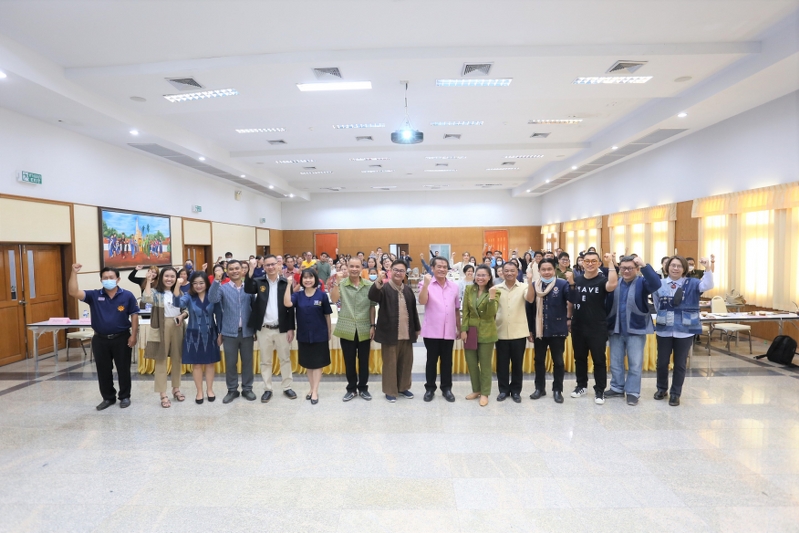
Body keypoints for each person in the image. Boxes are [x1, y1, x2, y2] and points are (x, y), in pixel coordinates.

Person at [68, 264, 139, 410]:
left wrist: (133, 335)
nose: (108, 280)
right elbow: (73, 292)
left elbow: (134, 315)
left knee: (123, 369)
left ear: (118, 279)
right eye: (105, 278)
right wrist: (74, 273)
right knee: (103, 370)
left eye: (111, 277)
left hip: (122, 338)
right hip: (100, 339)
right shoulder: (94, 295)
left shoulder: (127, 295)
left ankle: (125, 396)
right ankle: (108, 398)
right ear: (101, 280)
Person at [655, 255, 714, 406]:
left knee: (680, 363)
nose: (675, 268)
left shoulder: (693, 283)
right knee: (662, 362)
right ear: (667, 267)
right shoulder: (660, 283)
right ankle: (662, 388)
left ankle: (675, 393)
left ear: (684, 269)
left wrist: (708, 268)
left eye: (679, 266)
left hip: (685, 329)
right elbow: (657, 303)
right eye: (672, 265)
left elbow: (708, 285)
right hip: (664, 329)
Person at [605, 256, 661, 406]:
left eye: (630, 268)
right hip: (616, 328)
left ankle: (632, 392)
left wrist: (644, 265)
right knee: (615, 362)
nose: (626, 271)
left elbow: (656, 283)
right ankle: (617, 387)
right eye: (623, 268)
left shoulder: (642, 282)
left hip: (636, 328)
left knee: (635, 363)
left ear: (636, 269)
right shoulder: (614, 282)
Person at [566, 251, 618, 405]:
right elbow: (571, 300)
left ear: (599, 264)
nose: (590, 264)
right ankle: (581, 386)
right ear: (582, 263)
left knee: (599, 359)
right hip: (578, 326)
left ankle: (600, 389)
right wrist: (569, 318)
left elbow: (613, 285)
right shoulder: (576, 280)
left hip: (597, 326)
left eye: (593, 261)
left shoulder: (602, 280)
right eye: (587, 261)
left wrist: (611, 262)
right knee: (579, 358)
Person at [244, 255, 297, 402]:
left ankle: (287, 387)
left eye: (273, 264)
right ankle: (267, 389)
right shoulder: (259, 281)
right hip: (264, 328)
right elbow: (248, 289)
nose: (271, 267)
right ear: (264, 267)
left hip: (282, 328)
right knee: (265, 361)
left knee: (285, 359)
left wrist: (291, 328)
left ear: (279, 265)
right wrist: (251, 269)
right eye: (267, 265)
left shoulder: (286, 282)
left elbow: (290, 307)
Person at [369, 260, 421, 403]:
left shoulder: (408, 290)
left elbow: (413, 311)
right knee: (390, 364)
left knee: (406, 363)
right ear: (390, 271)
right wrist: (378, 281)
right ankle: (390, 390)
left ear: (405, 273)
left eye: (402, 271)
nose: (399, 273)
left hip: (407, 334)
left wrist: (417, 328)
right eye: (396, 270)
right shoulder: (384, 288)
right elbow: (372, 296)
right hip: (389, 334)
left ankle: (403, 387)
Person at [208, 260, 259, 404]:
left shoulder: (249, 288)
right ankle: (232, 390)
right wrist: (216, 280)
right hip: (229, 332)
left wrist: (255, 329)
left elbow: (255, 308)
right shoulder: (223, 288)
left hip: (247, 332)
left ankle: (247, 388)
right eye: (231, 269)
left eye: (237, 268)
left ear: (242, 270)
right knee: (231, 363)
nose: (235, 271)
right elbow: (212, 298)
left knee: (247, 362)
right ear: (227, 271)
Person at [330, 257, 376, 401]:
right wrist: (337, 282)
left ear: (362, 268)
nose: (354, 269)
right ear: (347, 267)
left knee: (364, 360)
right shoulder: (342, 283)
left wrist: (372, 326)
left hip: (364, 327)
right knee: (349, 360)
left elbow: (372, 307)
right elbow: (333, 299)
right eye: (352, 266)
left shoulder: (369, 285)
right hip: (347, 328)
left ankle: (363, 388)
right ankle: (351, 388)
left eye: (357, 266)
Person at [283, 269, 332, 404]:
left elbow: (327, 315)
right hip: (304, 334)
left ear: (315, 279)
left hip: (320, 334)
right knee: (309, 364)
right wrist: (288, 285)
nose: (308, 280)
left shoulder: (322, 295)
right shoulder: (298, 295)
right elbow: (287, 303)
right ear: (301, 280)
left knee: (318, 364)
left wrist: (328, 331)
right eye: (305, 278)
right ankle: (311, 388)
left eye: (310, 277)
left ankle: (315, 391)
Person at [525, 258, 570, 403]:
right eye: (543, 269)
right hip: (540, 331)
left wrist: (572, 283)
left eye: (549, 269)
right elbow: (529, 309)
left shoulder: (562, 284)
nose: (546, 272)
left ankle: (557, 390)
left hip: (557, 329)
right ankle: (540, 388)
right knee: (539, 360)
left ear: (554, 269)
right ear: (539, 271)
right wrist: (530, 330)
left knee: (558, 361)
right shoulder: (534, 285)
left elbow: (573, 299)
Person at [174, 271, 222, 403]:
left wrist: (220, 333)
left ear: (206, 283)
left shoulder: (212, 296)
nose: (198, 286)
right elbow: (178, 303)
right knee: (197, 365)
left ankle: (210, 390)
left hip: (211, 333)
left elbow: (219, 315)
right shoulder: (189, 296)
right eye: (195, 283)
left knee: (210, 364)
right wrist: (177, 285)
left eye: (201, 283)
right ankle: (199, 391)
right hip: (193, 335)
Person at [142, 267, 186, 407]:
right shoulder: (156, 292)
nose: (169, 279)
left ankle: (176, 388)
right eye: (166, 276)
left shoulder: (179, 291)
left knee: (177, 358)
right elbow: (146, 298)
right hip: (162, 326)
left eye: (172, 276)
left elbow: (186, 308)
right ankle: (163, 393)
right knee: (161, 359)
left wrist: (182, 315)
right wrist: (148, 281)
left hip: (177, 325)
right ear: (161, 277)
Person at [419, 256, 460, 403]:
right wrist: (426, 285)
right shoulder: (425, 283)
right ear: (432, 268)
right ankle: (430, 388)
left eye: (445, 267)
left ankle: (446, 388)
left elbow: (456, 309)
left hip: (449, 330)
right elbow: (422, 301)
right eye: (439, 266)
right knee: (431, 361)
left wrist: (459, 328)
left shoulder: (454, 286)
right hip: (432, 331)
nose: (442, 269)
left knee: (447, 361)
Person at [460, 265, 499, 407]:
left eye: (484, 275)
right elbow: (465, 310)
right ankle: (476, 390)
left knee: (485, 364)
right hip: (471, 331)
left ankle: (485, 393)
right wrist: (463, 329)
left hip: (487, 331)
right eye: (478, 275)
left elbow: (491, 314)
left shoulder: (495, 291)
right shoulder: (469, 289)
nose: (480, 278)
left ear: (489, 277)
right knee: (471, 363)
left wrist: (492, 297)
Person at [495, 261, 529, 403]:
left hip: (519, 332)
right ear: (502, 272)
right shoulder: (496, 288)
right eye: (506, 271)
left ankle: (516, 391)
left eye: (512, 270)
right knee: (502, 364)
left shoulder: (524, 287)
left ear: (517, 272)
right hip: (500, 331)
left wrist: (531, 281)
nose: (509, 273)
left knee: (517, 364)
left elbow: (530, 299)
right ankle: (503, 390)